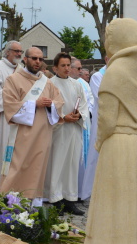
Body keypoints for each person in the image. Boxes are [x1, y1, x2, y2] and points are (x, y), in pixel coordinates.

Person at [75, 17, 137, 244]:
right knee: (130, 207)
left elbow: (106, 120)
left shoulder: (114, 74)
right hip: (134, 145)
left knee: (111, 206)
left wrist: (98, 142)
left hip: (116, 144)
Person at [0, 47, 63, 202]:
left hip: (43, 133)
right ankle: (9, 200)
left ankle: (35, 202)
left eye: (40, 59)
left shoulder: (47, 82)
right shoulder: (13, 80)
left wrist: (50, 104)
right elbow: (9, 104)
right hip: (23, 134)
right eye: (34, 58)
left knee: (37, 168)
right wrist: (35, 104)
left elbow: (59, 102)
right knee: (18, 165)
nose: (38, 62)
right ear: (25, 59)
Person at [43, 52, 88, 215]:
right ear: (55, 67)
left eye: (69, 65)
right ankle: (56, 199)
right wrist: (63, 117)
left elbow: (83, 104)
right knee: (58, 163)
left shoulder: (77, 84)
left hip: (74, 129)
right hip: (59, 130)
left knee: (72, 163)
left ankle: (70, 199)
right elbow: (47, 108)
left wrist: (78, 116)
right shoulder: (49, 84)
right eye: (63, 65)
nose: (67, 68)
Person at [0, 41, 22, 191]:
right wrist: (13, 105)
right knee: (1, 148)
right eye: (16, 51)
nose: (19, 54)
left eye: (21, 51)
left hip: (20, 115)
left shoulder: (21, 69)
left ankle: (12, 184)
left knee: (16, 150)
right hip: (4, 115)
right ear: (7, 52)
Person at [79, 57, 109, 201]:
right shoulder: (98, 76)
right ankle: (90, 191)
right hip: (101, 120)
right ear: (107, 58)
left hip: (115, 121)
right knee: (96, 155)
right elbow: (101, 97)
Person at [71, 57, 94, 200]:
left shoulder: (83, 85)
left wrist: (82, 114)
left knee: (80, 159)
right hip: (64, 125)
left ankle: (79, 192)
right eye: (78, 69)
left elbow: (91, 103)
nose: (80, 72)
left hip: (81, 125)